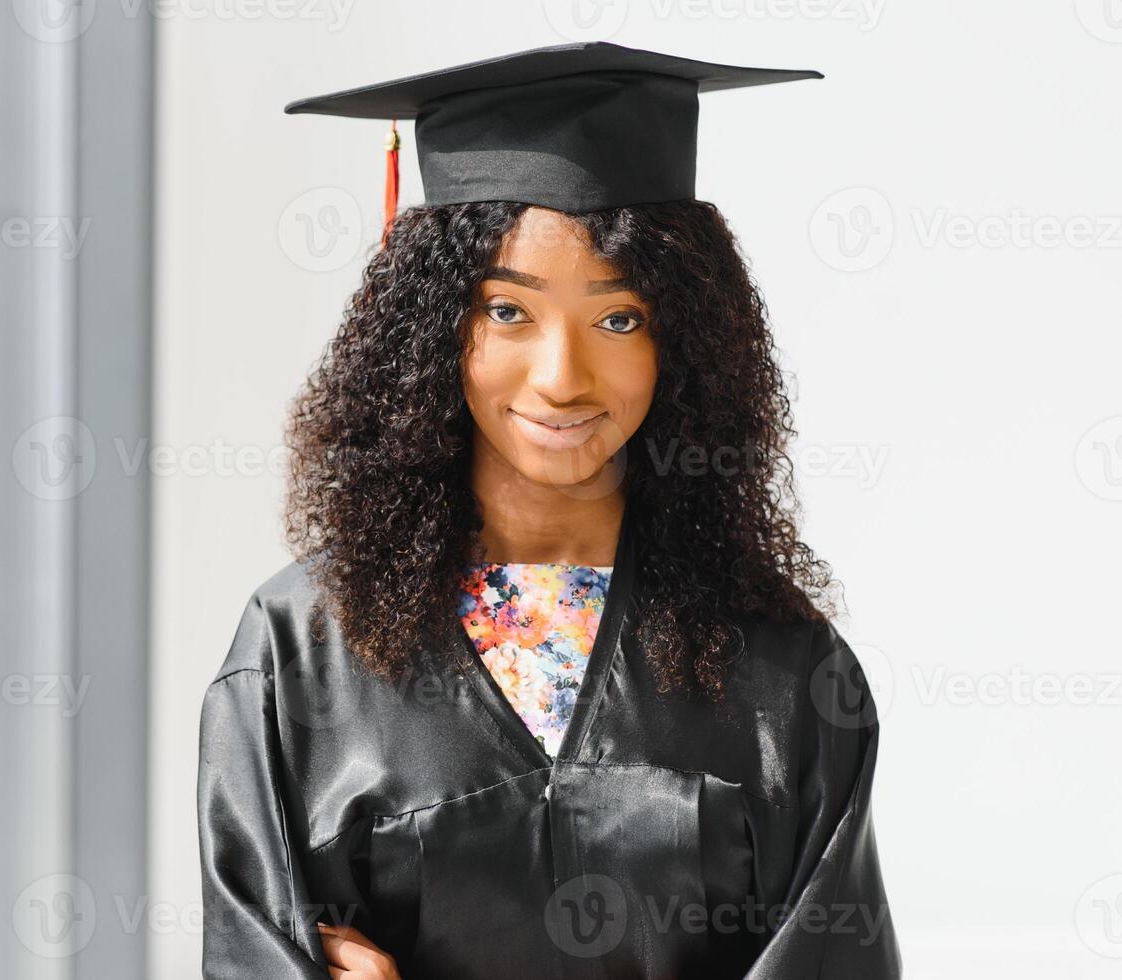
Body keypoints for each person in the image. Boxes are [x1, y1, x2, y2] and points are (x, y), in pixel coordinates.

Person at [197, 41, 900, 979]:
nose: (563, 378)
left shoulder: (781, 666)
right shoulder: (299, 653)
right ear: (429, 326)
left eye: (619, 319)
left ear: (684, 339)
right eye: (506, 312)